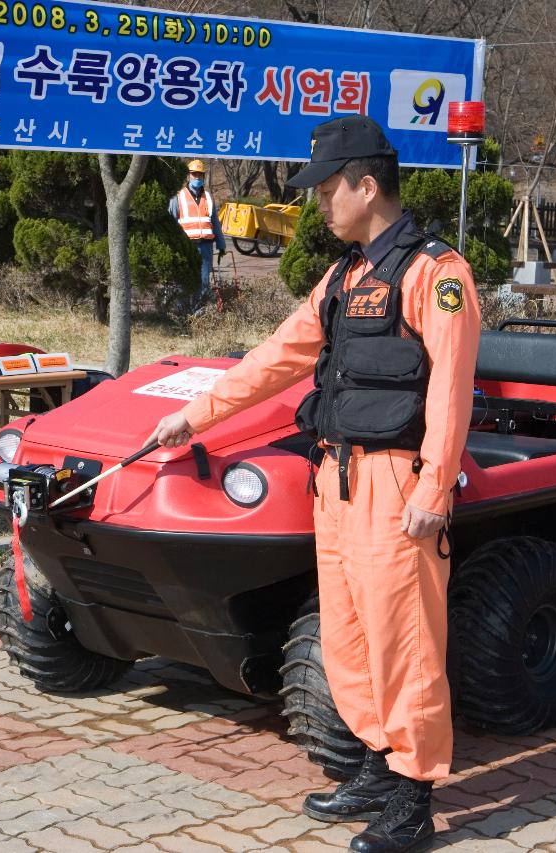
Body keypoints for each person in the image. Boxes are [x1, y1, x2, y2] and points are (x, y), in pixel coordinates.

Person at [150, 116, 480, 853]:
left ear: (367, 185)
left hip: (397, 483)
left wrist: (433, 489)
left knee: (405, 642)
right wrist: (194, 416)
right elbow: (275, 357)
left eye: (328, 189)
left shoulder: (437, 274)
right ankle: (372, 762)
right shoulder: (345, 276)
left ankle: (411, 799)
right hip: (334, 479)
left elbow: (451, 392)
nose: (319, 205)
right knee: (350, 637)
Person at [168, 159, 227, 310]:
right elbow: (171, 223)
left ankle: (199, 314)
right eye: (194, 174)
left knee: (204, 281)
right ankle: (181, 312)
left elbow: (215, 222)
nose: (197, 178)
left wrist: (221, 243)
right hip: (186, 247)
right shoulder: (178, 197)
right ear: (188, 176)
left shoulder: (208, 197)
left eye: (200, 175)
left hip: (206, 246)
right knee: (183, 280)